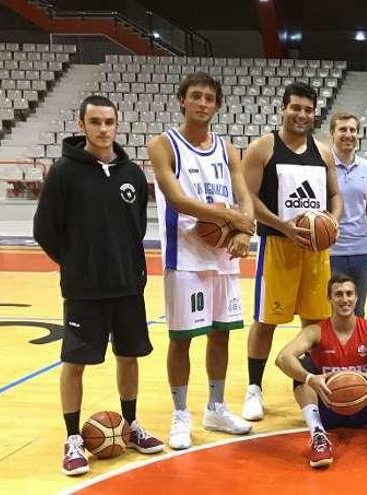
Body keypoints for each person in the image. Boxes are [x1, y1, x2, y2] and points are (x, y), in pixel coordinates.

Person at [35, 95, 164, 475]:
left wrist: (127, 266)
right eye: (95, 122)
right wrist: (79, 264)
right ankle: (73, 437)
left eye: (109, 122)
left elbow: (136, 227)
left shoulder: (133, 175)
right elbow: (45, 231)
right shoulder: (63, 172)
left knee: (129, 357)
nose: (103, 129)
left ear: (117, 125)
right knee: (75, 363)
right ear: (82, 125)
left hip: (127, 287)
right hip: (84, 290)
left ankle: (130, 425)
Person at [148, 72, 256, 450]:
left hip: (223, 255)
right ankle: (180, 414)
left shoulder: (227, 149)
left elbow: (245, 197)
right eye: (195, 96)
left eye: (209, 98)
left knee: (221, 334)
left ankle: (216, 407)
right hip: (186, 257)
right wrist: (230, 219)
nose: (202, 103)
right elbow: (177, 199)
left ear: (217, 105)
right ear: (182, 100)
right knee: (181, 340)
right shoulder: (163, 145)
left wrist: (243, 231)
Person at [241, 82, 342, 421]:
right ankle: (254, 388)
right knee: (267, 320)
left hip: (315, 252)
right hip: (278, 246)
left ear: (315, 114)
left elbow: (335, 196)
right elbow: (248, 199)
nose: (301, 114)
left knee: (315, 322)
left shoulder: (324, 151)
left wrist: (334, 221)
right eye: (295, 108)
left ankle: (311, 384)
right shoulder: (262, 148)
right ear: (283, 108)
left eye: (308, 110)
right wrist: (283, 225)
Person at [276, 274, 367, 468]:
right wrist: (310, 378)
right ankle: (318, 435)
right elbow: (282, 358)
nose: (345, 299)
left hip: (365, 406)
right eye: (338, 294)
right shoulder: (316, 331)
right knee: (304, 367)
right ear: (329, 298)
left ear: (357, 297)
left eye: (349, 294)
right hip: (327, 409)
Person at [328, 111, 367, 318]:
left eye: (352, 130)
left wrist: (361, 225)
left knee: (357, 310)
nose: (348, 134)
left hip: (361, 251)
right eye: (342, 129)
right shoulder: (323, 166)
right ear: (332, 133)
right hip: (330, 252)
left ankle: (357, 351)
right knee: (328, 310)